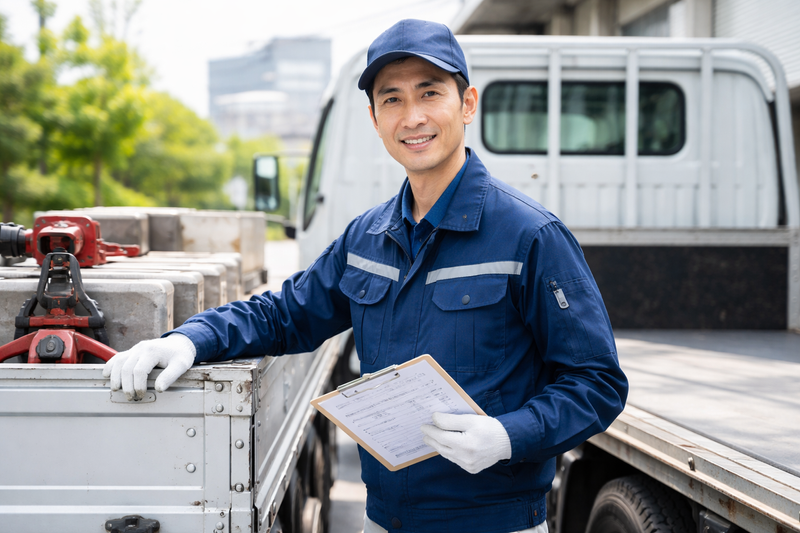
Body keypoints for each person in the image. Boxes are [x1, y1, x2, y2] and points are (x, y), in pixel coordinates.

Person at [104, 19, 628, 533]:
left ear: (467, 104)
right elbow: (284, 314)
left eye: (429, 93)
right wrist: (189, 340)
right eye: (392, 99)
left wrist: (507, 436)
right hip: (384, 518)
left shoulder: (529, 235)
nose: (412, 116)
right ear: (375, 119)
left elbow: (598, 382)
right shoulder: (368, 237)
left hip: (494, 523)